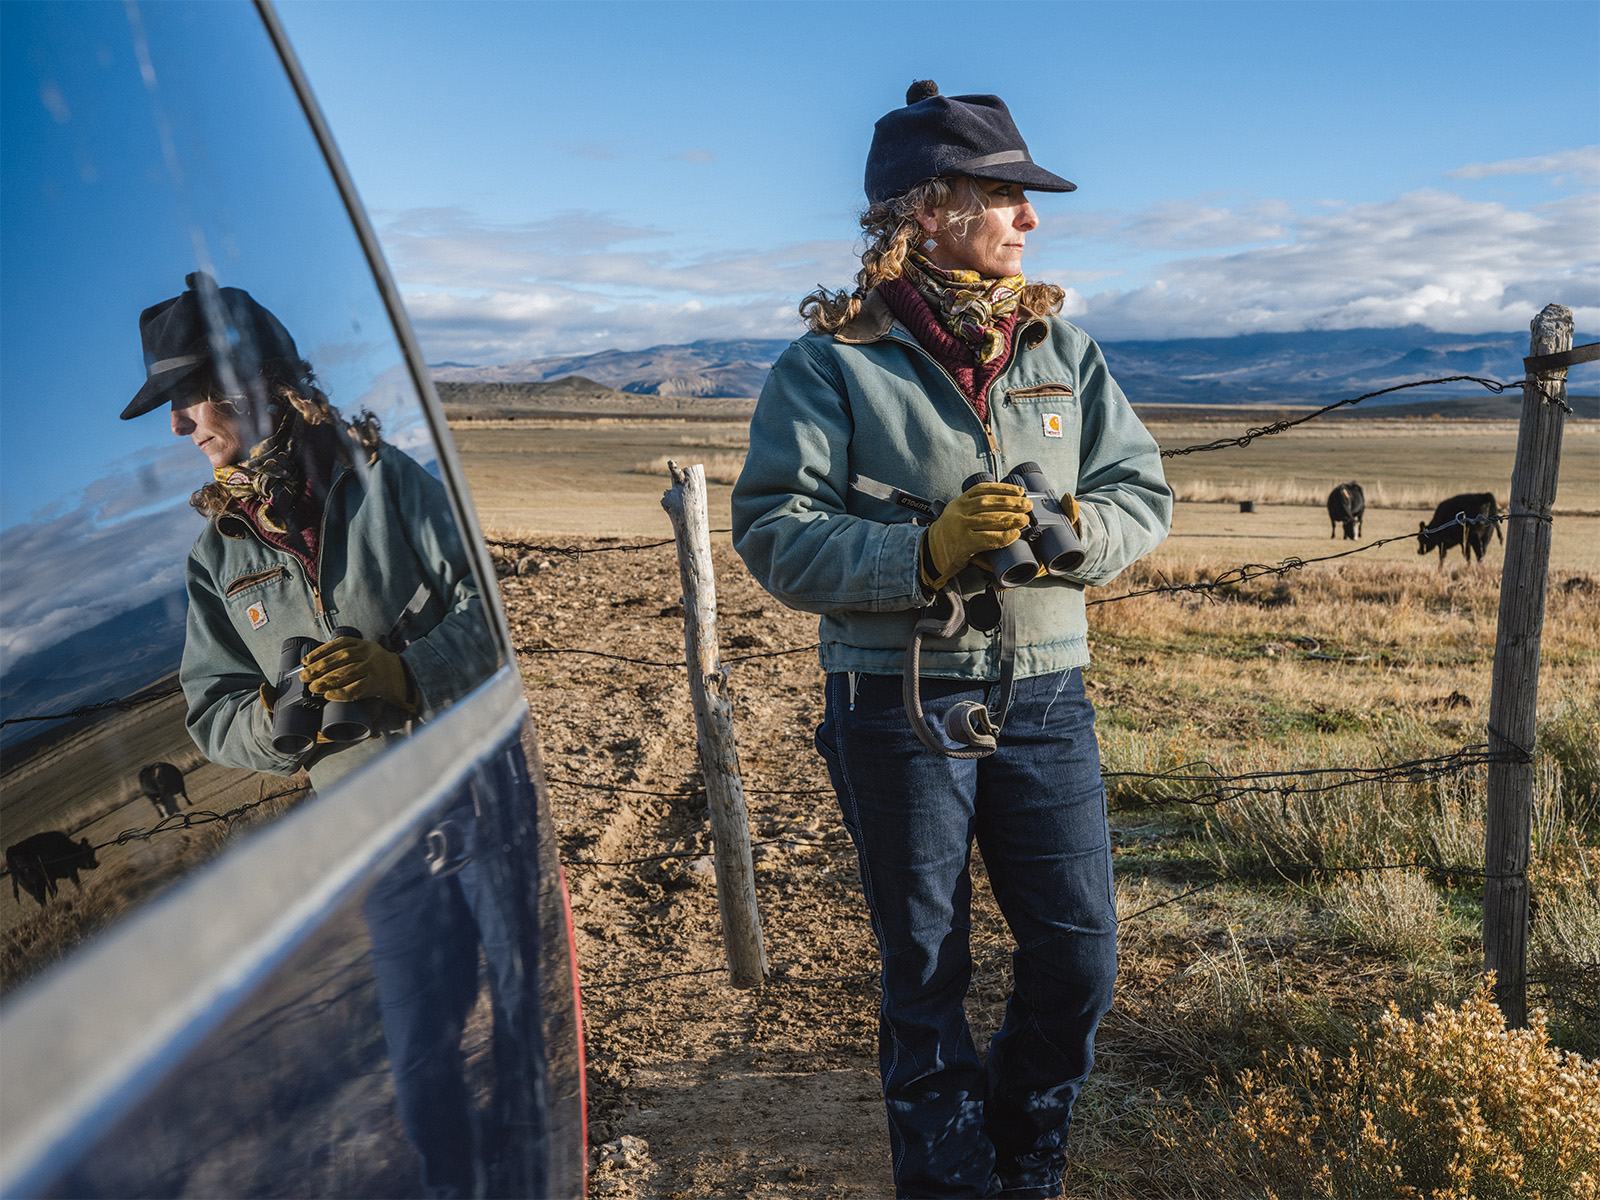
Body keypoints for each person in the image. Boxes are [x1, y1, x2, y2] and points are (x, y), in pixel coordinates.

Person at [732, 83, 1172, 1198]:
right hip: (894, 697)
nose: (1029, 220)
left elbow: (1139, 490)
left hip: (1045, 695)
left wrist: (1075, 538)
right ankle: (949, 1182)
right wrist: (920, 555)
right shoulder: (830, 364)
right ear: (925, 210)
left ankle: (1027, 1159)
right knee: (924, 969)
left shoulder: (1057, 348)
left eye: (1025, 201)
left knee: (1078, 957)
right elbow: (775, 533)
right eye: (1004, 196)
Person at [123, 273, 527, 1198]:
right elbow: (210, 710)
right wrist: (275, 723)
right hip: (370, 834)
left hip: (483, 798)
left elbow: (489, 613)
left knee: (525, 1020)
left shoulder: (389, 481)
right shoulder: (214, 558)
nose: (181, 429)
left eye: (186, 400)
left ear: (253, 385)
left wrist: (407, 675)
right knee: (421, 1066)